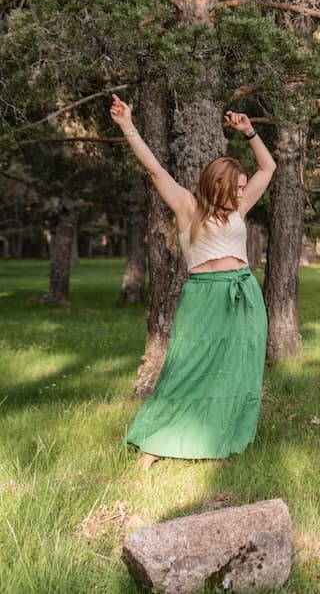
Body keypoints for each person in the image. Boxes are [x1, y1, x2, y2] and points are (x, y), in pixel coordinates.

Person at [110, 94, 276, 470]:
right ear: (216, 184)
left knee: (236, 368)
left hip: (243, 294)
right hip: (204, 297)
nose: (240, 193)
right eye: (235, 187)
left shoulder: (240, 207)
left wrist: (249, 132)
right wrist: (128, 127)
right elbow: (155, 170)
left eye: (242, 188)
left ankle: (219, 439)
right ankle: (154, 442)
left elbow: (268, 168)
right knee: (186, 368)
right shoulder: (188, 207)